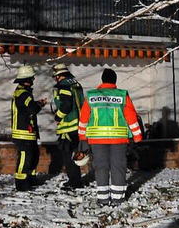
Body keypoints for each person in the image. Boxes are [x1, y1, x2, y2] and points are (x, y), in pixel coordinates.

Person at [78, 69, 143, 206]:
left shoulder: (91, 96)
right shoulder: (122, 95)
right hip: (118, 139)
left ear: (102, 80)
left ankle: (103, 199)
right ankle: (117, 198)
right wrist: (137, 136)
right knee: (118, 167)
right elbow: (131, 117)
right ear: (115, 80)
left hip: (97, 139)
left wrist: (83, 138)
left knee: (101, 167)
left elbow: (84, 119)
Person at [11, 65, 47, 192]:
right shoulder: (23, 94)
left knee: (33, 156)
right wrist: (39, 104)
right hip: (23, 133)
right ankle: (21, 183)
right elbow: (31, 109)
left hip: (28, 132)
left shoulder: (24, 93)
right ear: (27, 79)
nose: (34, 80)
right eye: (32, 78)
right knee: (25, 158)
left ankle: (31, 179)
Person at [51, 63, 86, 190]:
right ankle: (76, 180)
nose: (55, 79)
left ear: (59, 76)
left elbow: (66, 105)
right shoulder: (75, 84)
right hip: (78, 125)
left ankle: (74, 182)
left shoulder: (64, 85)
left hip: (68, 127)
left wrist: (57, 117)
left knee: (68, 156)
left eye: (55, 76)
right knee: (74, 154)